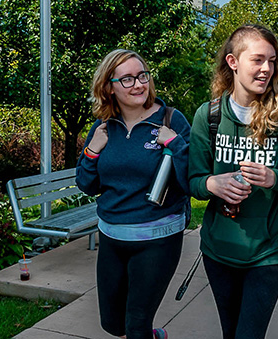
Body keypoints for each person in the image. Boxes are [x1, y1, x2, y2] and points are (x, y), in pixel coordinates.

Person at [187, 24, 278, 339]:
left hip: (268, 251)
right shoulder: (209, 116)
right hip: (219, 250)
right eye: (258, 60)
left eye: (272, 61)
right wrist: (212, 185)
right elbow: (193, 181)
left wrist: (274, 178)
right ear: (233, 62)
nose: (267, 69)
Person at [76, 49, 191, 339]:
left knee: (136, 325)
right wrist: (92, 151)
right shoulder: (103, 129)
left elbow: (193, 180)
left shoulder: (171, 121)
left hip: (157, 238)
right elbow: (87, 185)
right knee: (113, 325)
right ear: (108, 87)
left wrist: (175, 144)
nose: (139, 84)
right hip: (113, 237)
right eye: (127, 79)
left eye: (142, 76)